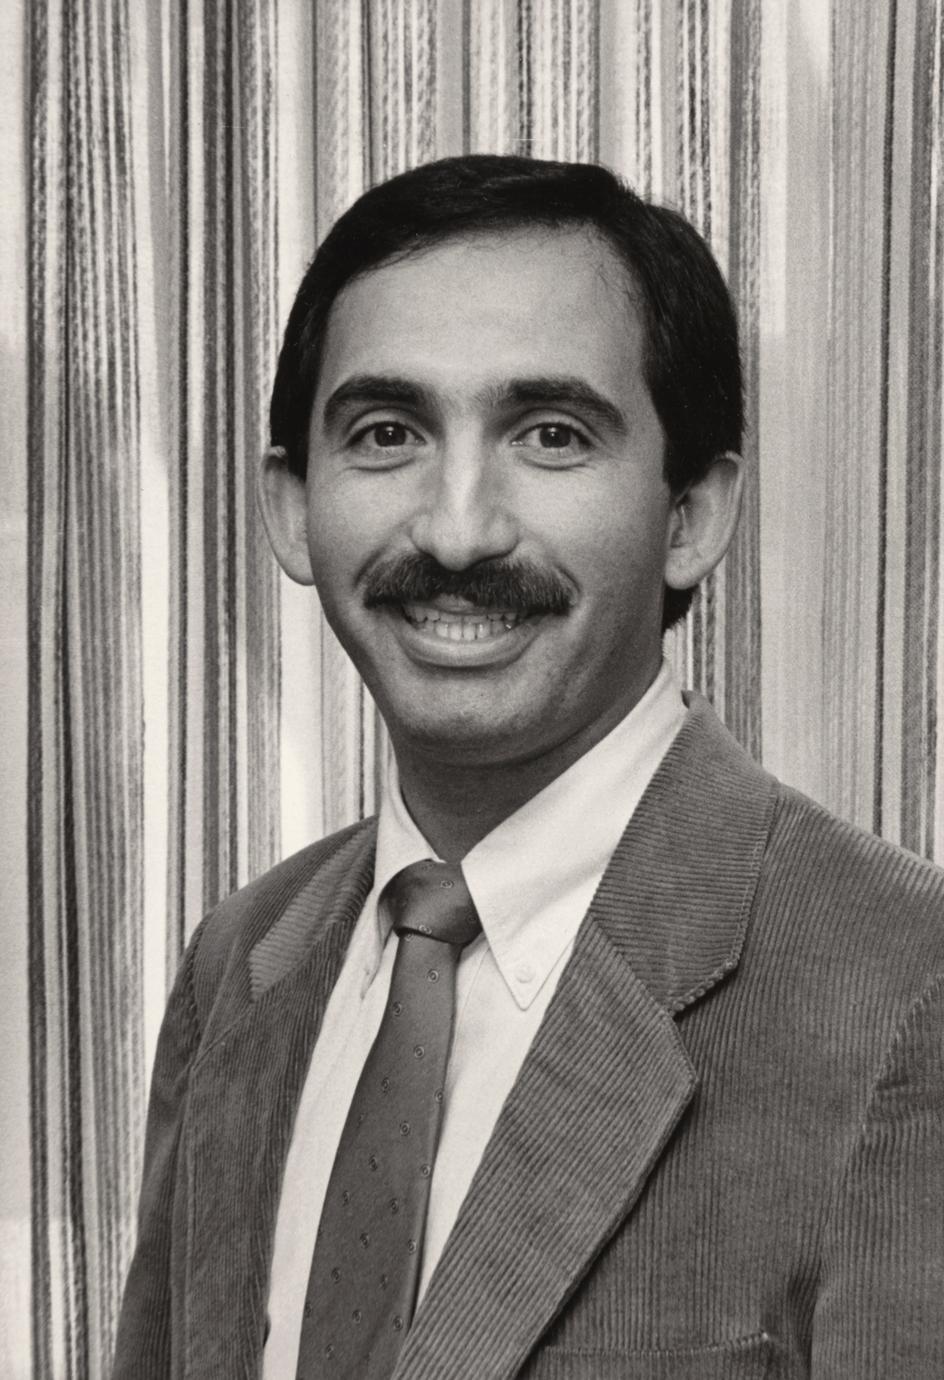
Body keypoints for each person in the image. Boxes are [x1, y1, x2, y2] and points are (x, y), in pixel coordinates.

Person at [113, 156, 944, 1379]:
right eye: (386, 434)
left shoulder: (903, 985)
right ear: (290, 506)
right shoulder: (239, 964)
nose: (458, 529)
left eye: (550, 436)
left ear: (689, 515)